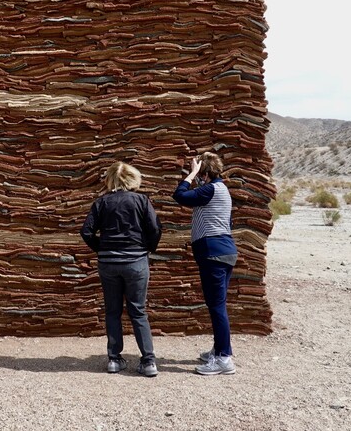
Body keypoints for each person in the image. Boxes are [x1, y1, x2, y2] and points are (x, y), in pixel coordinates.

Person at [81, 161, 162, 377]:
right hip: (136, 261)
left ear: (110, 180)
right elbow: (155, 228)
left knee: (113, 311)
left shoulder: (102, 203)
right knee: (138, 310)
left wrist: (102, 250)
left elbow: (86, 231)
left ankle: (114, 360)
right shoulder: (141, 201)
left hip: (108, 264)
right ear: (132, 179)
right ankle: (148, 361)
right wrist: (147, 248)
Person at [173, 152, 238, 375]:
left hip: (214, 253)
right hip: (222, 251)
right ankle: (220, 349)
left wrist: (191, 174)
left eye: (199, 173)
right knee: (216, 304)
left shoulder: (210, 189)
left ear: (205, 173)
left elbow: (180, 196)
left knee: (217, 306)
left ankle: (224, 359)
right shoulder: (220, 190)